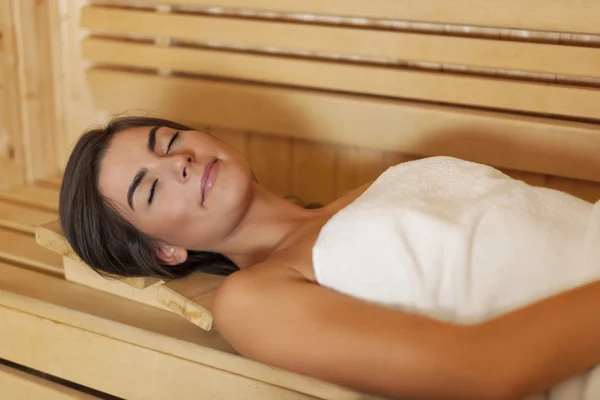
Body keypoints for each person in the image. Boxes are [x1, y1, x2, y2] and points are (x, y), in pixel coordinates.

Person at [59, 116, 600, 400]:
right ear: (165, 251)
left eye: (168, 139)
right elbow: (485, 372)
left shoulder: (371, 188)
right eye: (149, 191)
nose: (178, 161)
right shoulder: (253, 299)